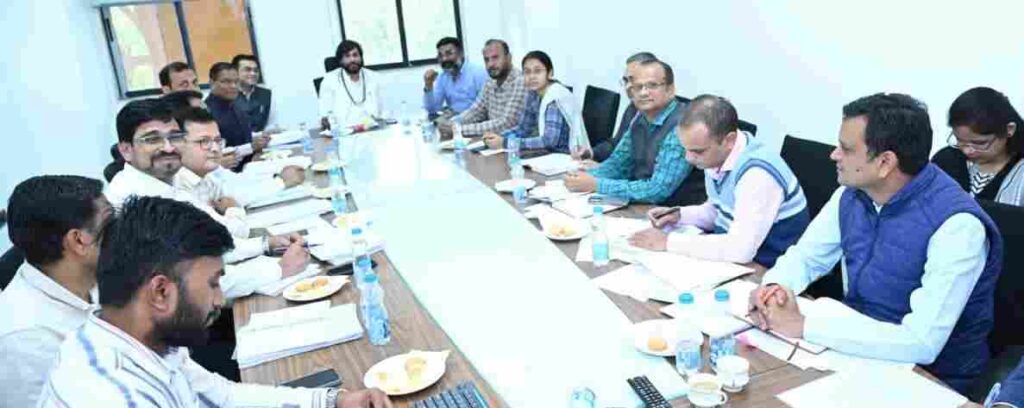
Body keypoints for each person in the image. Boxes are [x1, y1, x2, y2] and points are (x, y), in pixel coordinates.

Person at [748, 93, 1003, 394]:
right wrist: (774, 288)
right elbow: (806, 257)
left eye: (846, 149)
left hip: (930, 378)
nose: (834, 155)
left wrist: (803, 326)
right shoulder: (852, 193)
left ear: (885, 162)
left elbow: (921, 343)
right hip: (853, 347)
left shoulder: (959, 227)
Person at [38, 196, 392, 407]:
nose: (220, 300)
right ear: (160, 292)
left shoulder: (142, 338)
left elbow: (223, 398)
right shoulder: (116, 395)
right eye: (213, 284)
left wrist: (333, 401)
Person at [106, 99, 308, 300]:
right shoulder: (131, 201)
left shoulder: (168, 183)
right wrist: (279, 269)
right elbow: (190, 282)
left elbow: (211, 243)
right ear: (126, 150)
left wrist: (264, 244)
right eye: (152, 139)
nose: (168, 148)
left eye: (174, 137)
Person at [629, 95, 809, 268]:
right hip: (737, 260)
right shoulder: (719, 155)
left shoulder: (757, 175)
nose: (689, 158)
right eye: (686, 149)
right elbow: (719, 211)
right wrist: (681, 215)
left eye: (698, 151)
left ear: (729, 140)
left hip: (766, 270)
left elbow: (741, 250)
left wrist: (669, 242)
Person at [0, 176, 111, 407]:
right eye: (112, 225)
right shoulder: (24, 339)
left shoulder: (102, 278)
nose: (124, 234)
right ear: (78, 241)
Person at [563, 59, 693, 204]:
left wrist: (596, 184)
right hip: (641, 206)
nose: (643, 93)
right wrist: (581, 177)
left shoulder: (683, 125)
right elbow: (618, 164)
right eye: (637, 87)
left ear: (670, 89)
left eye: (652, 85)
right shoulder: (640, 117)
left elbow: (658, 190)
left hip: (673, 211)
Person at [172, 106, 305, 208]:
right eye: (204, 141)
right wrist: (280, 182)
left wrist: (279, 179)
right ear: (177, 144)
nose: (215, 148)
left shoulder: (206, 175)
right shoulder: (178, 188)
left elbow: (235, 194)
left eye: (217, 140)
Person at [482, 50, 587, 154]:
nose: (532, 76)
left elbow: (549, 141)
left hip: (565, 156)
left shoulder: (555, 96)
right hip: (547, 153)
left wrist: (505, 143)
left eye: (537, 71)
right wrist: (498, 136)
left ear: (550, 73)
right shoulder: (533, 93)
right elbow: (524, 129)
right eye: (527, 72)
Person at [933, 87, 1024, 206]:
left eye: (979, 143)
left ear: (1009, 130)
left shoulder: (1020, 174)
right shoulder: (944, 161)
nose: (967, 150)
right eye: (959, 140)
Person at [438, 39, 527, 138]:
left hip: (515, 142)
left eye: (495, 58)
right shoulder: (491, 81)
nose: (490, 64)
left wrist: (458, 129)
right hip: (493, 141)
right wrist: (451, 123)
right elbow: (476, 110)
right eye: (486, 60)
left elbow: (506, 123)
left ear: (509, 57)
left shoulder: (521, 81)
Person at [588, 52, 658, 162]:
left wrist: (605, 169)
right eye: (626, 80)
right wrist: (591, 153)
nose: (628, 86)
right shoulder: (633, 107)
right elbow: (617, 144)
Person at [205, 62, 271, 171]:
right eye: (226, 82)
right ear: (212, 83)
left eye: (236, 82)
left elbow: (239, 134)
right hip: (231, 172)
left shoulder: (235, 105)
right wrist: (251, 147)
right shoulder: (206, 113)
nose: (233, 86)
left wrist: (258, 137)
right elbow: (217, 154)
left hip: (252, 163)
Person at [319, 40, 383, 128]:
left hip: (372, 129)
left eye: (355, 55)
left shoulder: (373, 77)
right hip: (343, 131)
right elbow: (324, 115)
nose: (352, 59)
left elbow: (381, 112)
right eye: (347, 56)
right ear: (341, 60)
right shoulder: (329, 80)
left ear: (361, 57)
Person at [423, 37, 489, 119]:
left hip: (475, 119)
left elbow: (483, 108)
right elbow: (432, 109)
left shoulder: (478, 73)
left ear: (461, 53)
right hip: (454, 119)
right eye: (440, 56)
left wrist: (456, 120)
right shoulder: (443, 77)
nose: (444, 59)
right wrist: (428, 86)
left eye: (449, 54)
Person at [232, 54, 274, 132]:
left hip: (262, 137)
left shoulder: (265, 94)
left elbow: (266, 123)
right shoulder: (225, 95)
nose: (253, 73)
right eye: (247, 70)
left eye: (256, 70)